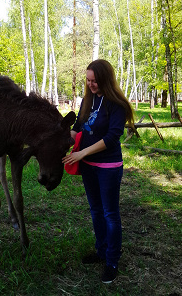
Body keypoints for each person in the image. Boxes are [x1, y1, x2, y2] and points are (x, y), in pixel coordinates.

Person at [62, 59, 134, 284]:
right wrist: (57, 142)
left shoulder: (116, 104)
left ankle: (112, 261)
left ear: (105, 79)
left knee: (110, 214)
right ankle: (101, 251)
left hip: (108, 167)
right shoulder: (88, 100)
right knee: (95, 211)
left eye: (95, 80)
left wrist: (82, 154)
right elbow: (77, 130)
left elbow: (112, 138)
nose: (91, 84)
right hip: (89, 168)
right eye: (88, 80)